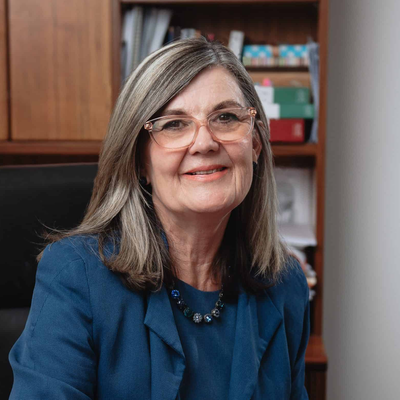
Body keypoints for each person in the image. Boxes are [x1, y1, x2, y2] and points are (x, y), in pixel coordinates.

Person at [9, 38, 310, 399]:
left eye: (226, 118)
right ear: (140, 160)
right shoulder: (77, 278)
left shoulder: (284, 285)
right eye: (174, 124)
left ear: (255, 144)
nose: (204, 143)